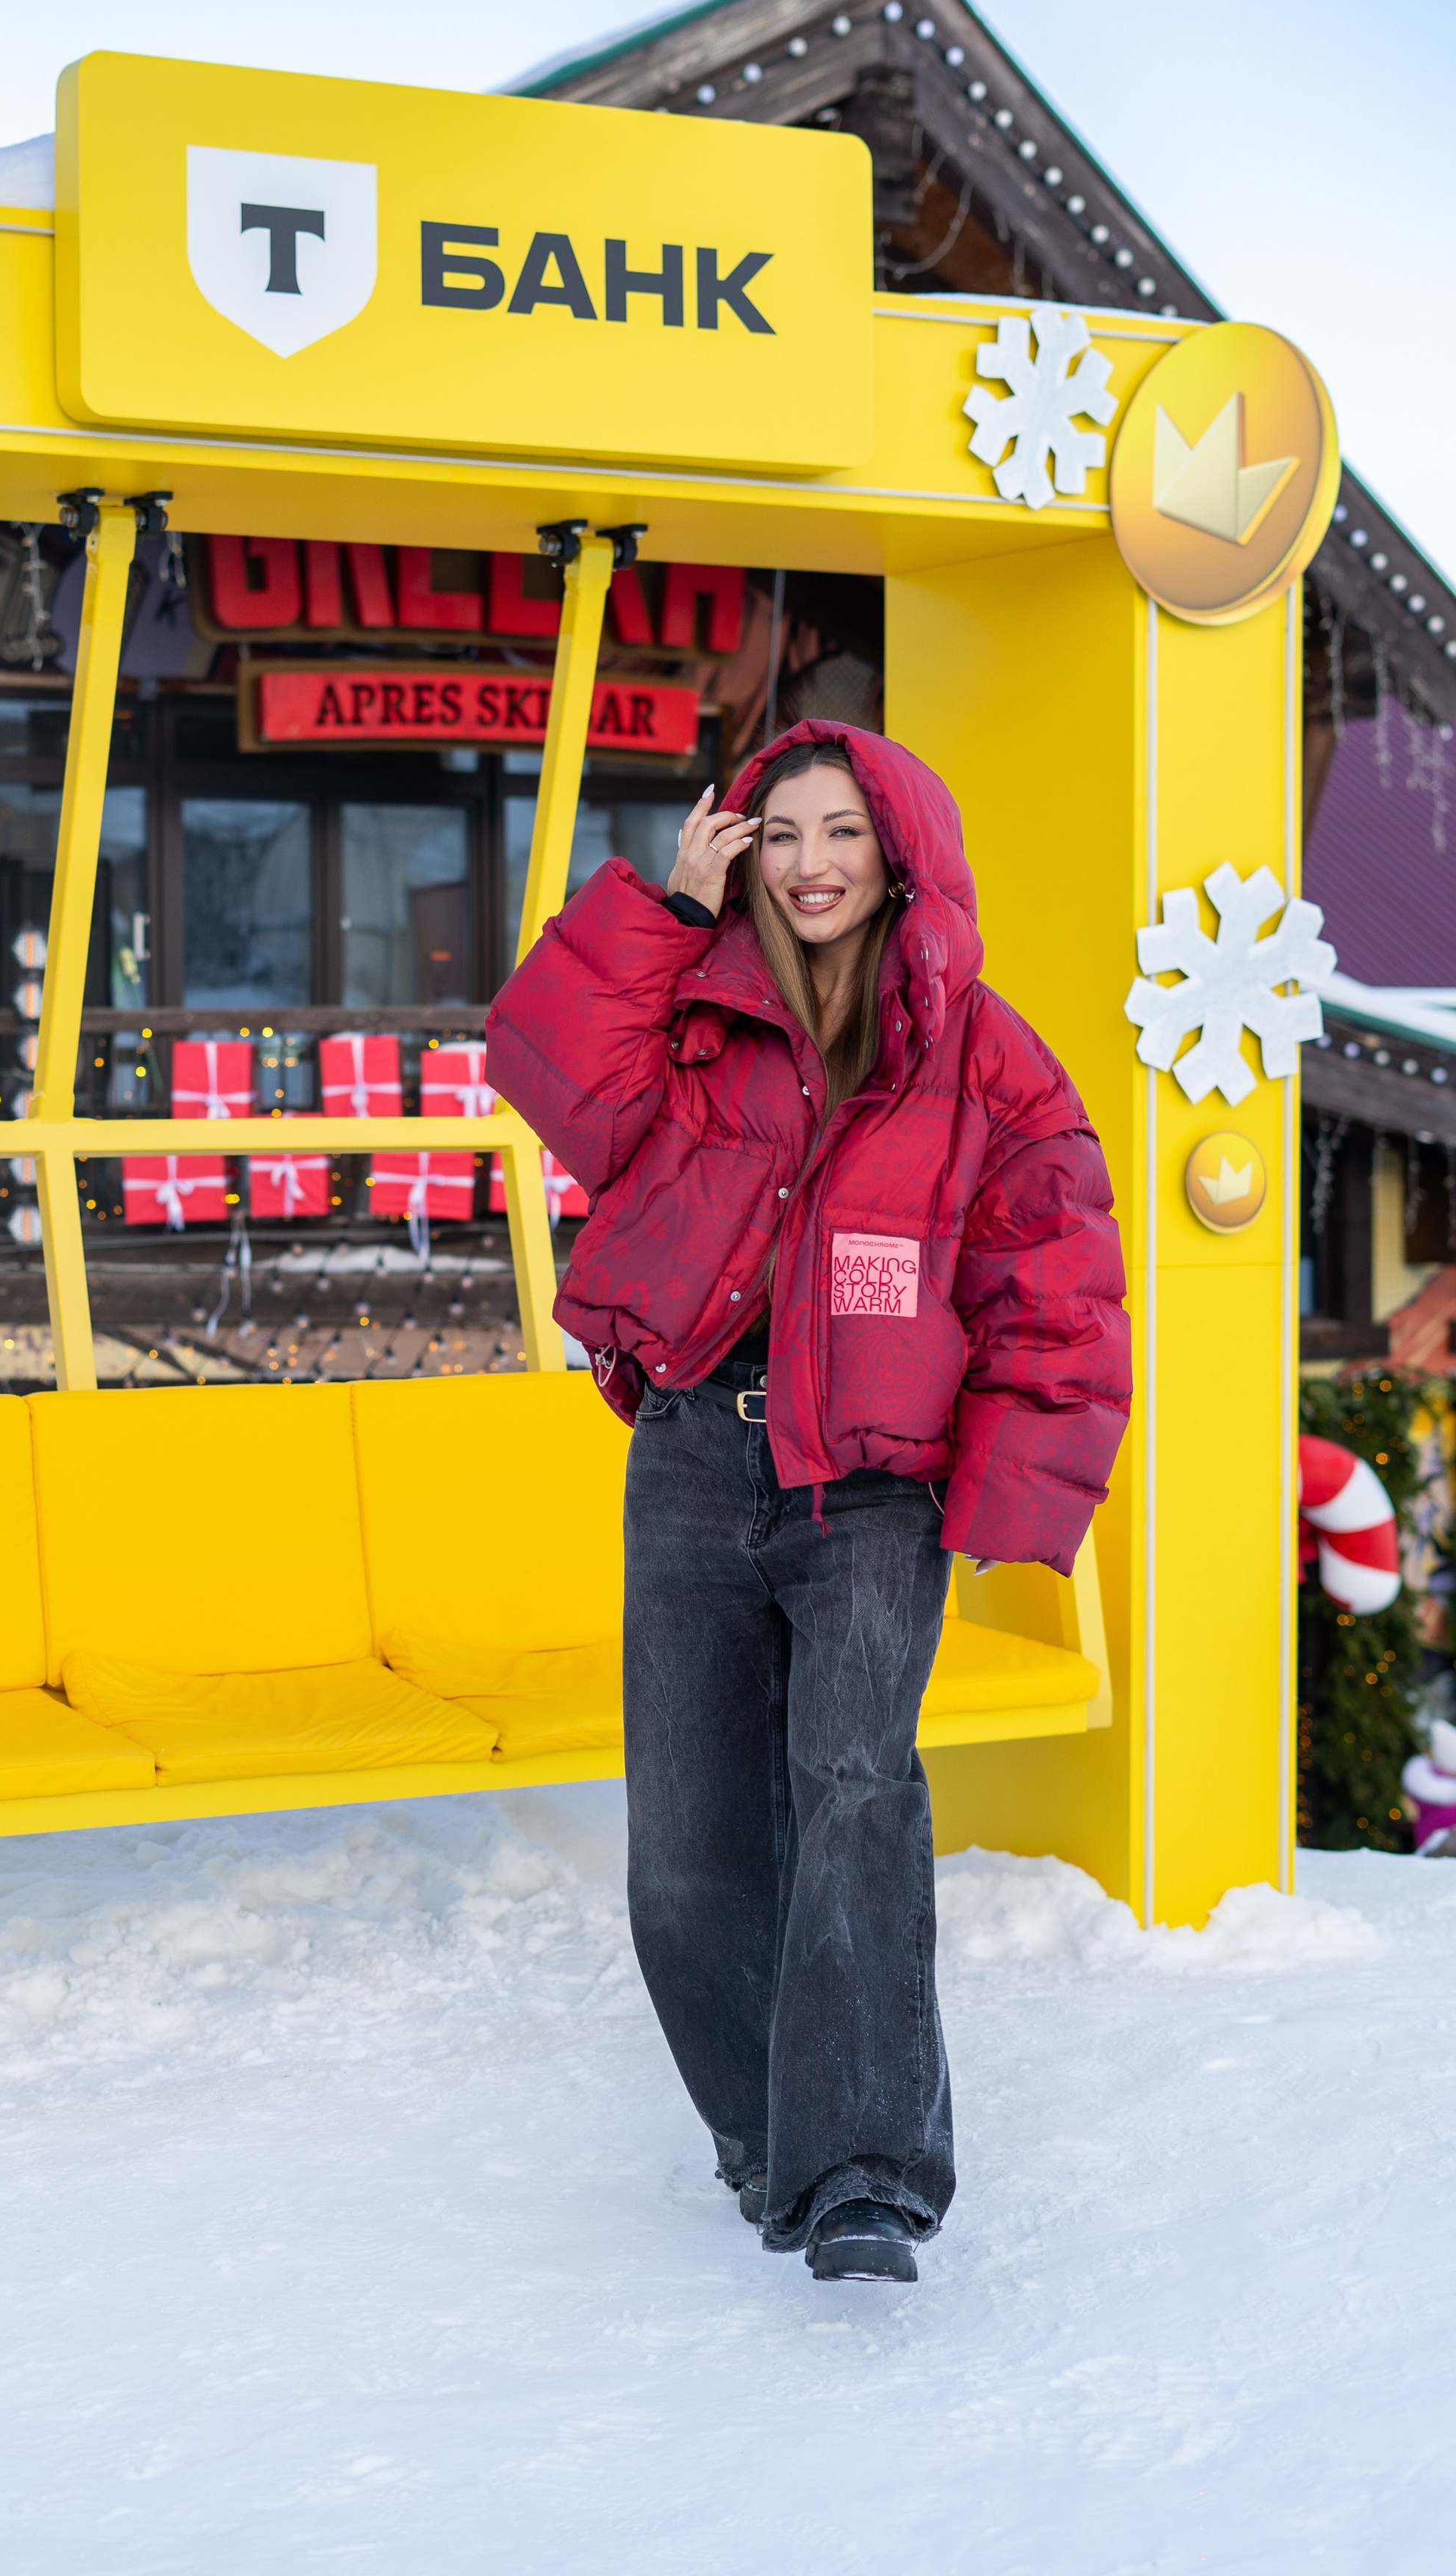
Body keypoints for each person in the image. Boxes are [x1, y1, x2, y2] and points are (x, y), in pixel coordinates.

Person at [486, 721, 1129, 2285]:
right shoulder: (697, 1012)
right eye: (776, 835)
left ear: (895, 851)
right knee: (688, 1844)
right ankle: (762, 2132)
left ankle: (859, 2177)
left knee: (852, 1793)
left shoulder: (981, 1052)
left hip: (870, 1487)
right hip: (696, 1455)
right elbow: (547, 1073)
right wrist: (657, 912)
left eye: (838, 832)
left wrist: (1011, 1492)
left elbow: (1052, 1275)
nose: (809, 863)